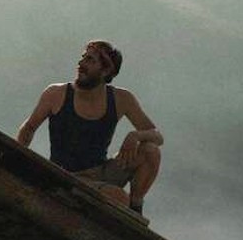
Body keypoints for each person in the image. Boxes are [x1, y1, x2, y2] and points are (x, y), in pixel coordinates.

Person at [17, 41, 163, 216]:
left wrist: (136, 135)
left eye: (90, 60)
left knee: (150, 151)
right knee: (117, 197)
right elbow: (29, 128)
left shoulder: (121, 98)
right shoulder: (56, 94)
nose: (81, 64)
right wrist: (17, 161)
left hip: (101, 171)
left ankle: (136, 209)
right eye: (83, 58)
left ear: (106, 71)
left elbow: (157, 136)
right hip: (67, 176)